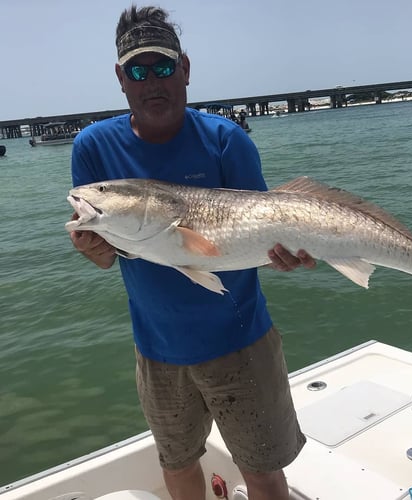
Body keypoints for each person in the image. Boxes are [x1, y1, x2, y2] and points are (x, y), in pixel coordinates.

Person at [68, 5, 315, 500]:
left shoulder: (226, 140)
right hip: (158, 352)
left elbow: (264, 236)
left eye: (163, 66)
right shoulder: (92, 149)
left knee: (264, 473)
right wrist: (92, 246)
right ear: (121, 78)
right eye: (139, 70)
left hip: (242, 342)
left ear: (184, 68)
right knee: (178, 466)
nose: (152, 81)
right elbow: (107, 255)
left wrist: (287, 257)